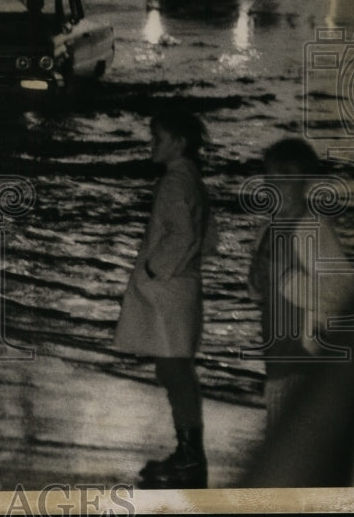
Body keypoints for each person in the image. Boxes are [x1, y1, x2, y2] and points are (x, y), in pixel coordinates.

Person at [113, 109, 218, 489]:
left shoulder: (176, 182)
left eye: (158, 138)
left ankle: (190, 458)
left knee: (175, 372)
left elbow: (185, 236)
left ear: (179, 143)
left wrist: (156, 268)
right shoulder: (191, 179)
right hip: (182, 286)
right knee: (176, 371)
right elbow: (208, 239)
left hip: (170, 290)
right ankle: (188, 454)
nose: (152, 144)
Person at [246, 138, 354, 442]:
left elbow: (345, 291)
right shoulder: (267, 229)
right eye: (272, 178)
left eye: (287, 178)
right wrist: (258, 284)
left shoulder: (312, 228)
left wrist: (286, 279)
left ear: (307, 183)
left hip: (304, 359)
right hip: (276, 360)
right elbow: (261, 290)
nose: (278, 187)